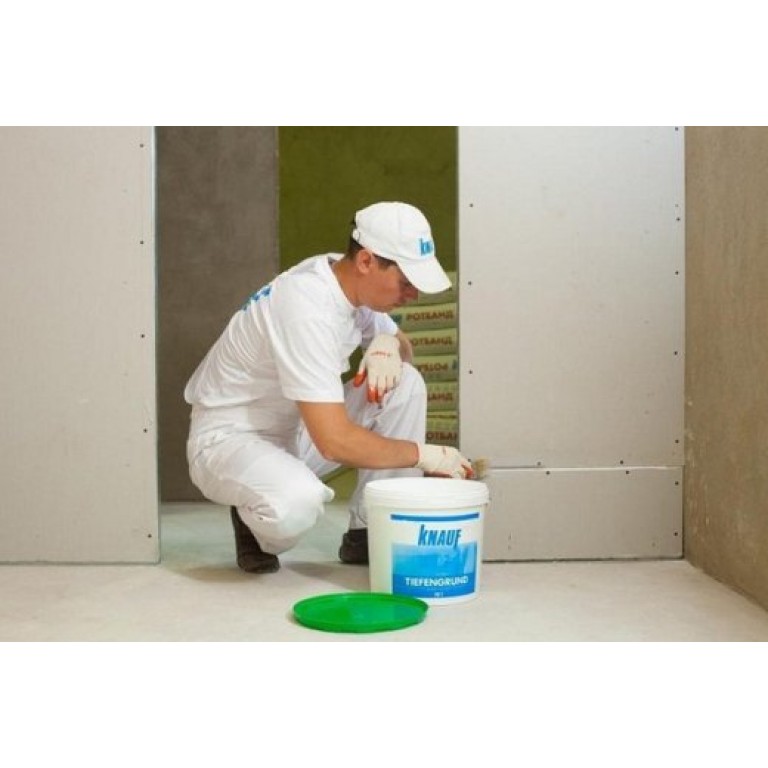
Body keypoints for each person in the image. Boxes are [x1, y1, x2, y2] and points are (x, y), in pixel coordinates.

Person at [184, 201, 474, 574]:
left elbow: (405, 350)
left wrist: (386, 345)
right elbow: (334, 442)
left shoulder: (343, 276)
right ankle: (254, 521)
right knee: (297, 503)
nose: (413, 295)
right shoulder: (307, 307)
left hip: (296, 429)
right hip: (231, 439)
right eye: (406, 283)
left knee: (406, 383)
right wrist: (424, 455)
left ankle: (371, 531)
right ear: (367, 261)